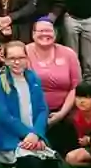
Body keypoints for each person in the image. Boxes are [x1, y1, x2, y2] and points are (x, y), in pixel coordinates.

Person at [0, 41, 63, 168]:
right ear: (5, 60)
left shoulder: (33, 78)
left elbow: (42, 109)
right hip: (14, 137)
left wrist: (37, 134)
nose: (17, 62)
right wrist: (27, 135)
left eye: (21, 58)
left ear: (27, 58)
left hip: (33, 136)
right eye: (12, 58)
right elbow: (3, 115)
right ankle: (13, 163)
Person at [24, 17, 82, 154]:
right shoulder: (24, 52)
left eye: (49, 31)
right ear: (33, 34)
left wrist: (61, 113)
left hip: (65, 109)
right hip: (32, 108)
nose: (45, 34)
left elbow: (76, 86)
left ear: (55, 34)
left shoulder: (69, 54)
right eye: (41, 31)